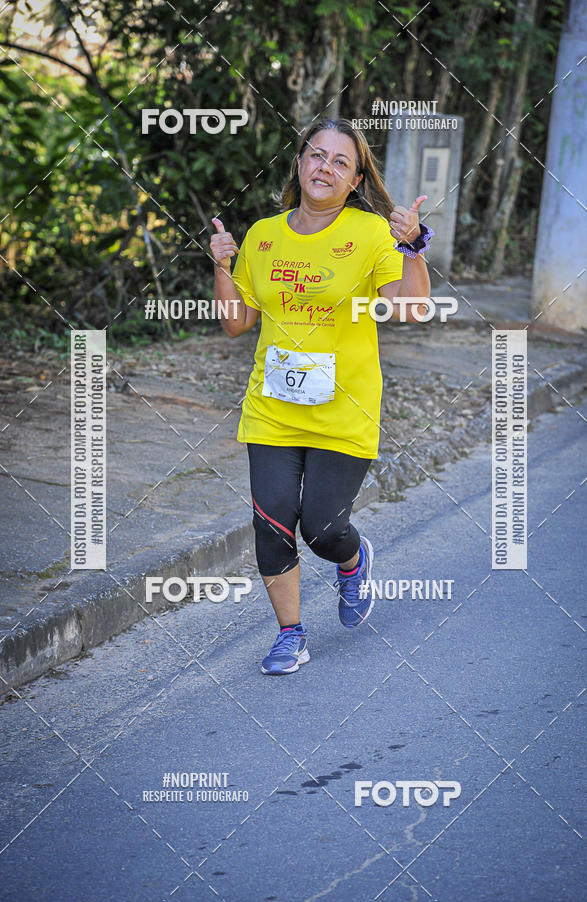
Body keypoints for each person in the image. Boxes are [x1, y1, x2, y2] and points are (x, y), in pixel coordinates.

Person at [210, 118, 432, 675]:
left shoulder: (370, 234)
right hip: (273, 409)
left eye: (340, 162)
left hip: (345, 409)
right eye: (316, 155)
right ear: (299, 163)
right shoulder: (263, 235)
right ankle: (291, 634)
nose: (324, 168)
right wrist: (221, 265)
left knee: (324, 529)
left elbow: (412, 308)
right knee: (272, 523)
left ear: (356, 180)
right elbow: (237, 324)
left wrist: (413, 248)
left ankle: (353, 562)